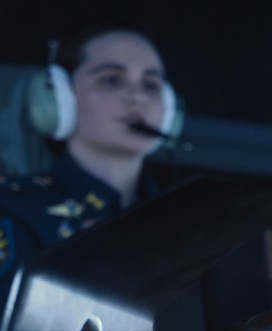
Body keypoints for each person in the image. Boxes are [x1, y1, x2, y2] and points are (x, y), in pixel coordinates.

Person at [0, 26, 174, 307]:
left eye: (151, 84)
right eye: (112, 80)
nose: (137, 97)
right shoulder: (12, 209)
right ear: (59, 99)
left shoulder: (189, 217)